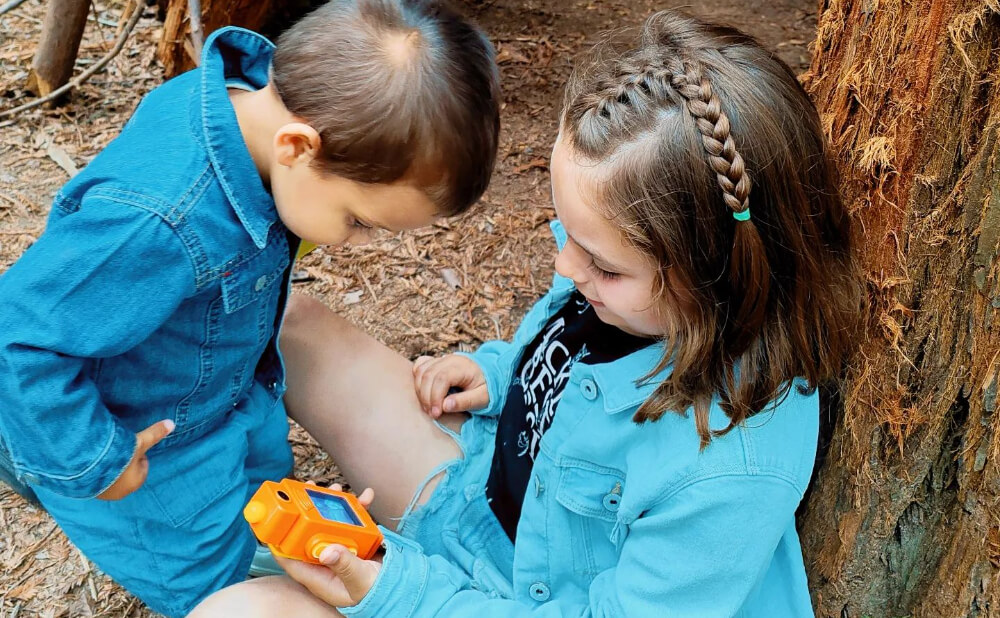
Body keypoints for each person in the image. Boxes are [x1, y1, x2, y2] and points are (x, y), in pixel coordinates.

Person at [190, 9, 860, 617]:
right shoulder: (641, 292)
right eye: (563, 231)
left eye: (602, 265)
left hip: (526, 600)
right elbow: (574, 354)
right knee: (289, 321)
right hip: (483, 503)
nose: (567, 269)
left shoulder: (731, 464)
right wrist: (504, 371)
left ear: (721, 269)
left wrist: (398, 592)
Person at [0, 1, 500, 615]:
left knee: (270, 501)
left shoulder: (250, 109)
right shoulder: (161, 222)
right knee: (221, 579)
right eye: (358, 221)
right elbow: (17, 338)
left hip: (224, 379)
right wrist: (94, 459)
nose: (359, 242)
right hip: (152, 442)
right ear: (297, 146)